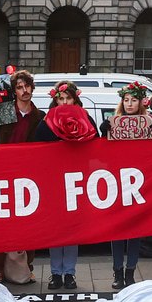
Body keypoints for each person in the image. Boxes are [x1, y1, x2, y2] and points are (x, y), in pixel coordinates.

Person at [34, 81, 92, 290]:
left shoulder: (86, 119)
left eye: (68, 98)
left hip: (75, 183)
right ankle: (55, 273)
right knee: (56, 230)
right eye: (61, 99)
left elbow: (95, 145)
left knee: (71, 231)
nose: (65, 102)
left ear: (75, 99)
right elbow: (36, 149)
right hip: (54, 183)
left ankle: (70, 273)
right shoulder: (46, 122)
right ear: (55, 100)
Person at [0, 71, 45, 286]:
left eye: (27, 86)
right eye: (20, 87)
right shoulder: (4, 112)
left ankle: (28, 267)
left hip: (28, 177)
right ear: (14, 92)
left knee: (28, 223)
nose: (25, 91)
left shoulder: (39, 116)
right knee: (2, 223)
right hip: (3, 174)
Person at [106, 82, 152, 289]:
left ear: (140, 102)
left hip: (138, 183)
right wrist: (104, 132)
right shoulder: (113, 122)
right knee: (117, 232)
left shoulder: (148, 123)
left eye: (133, 100)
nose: (129, 104)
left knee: (134, 233)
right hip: (118, 183)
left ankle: (130, 272)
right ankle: (117, 272)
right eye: (126, 100)